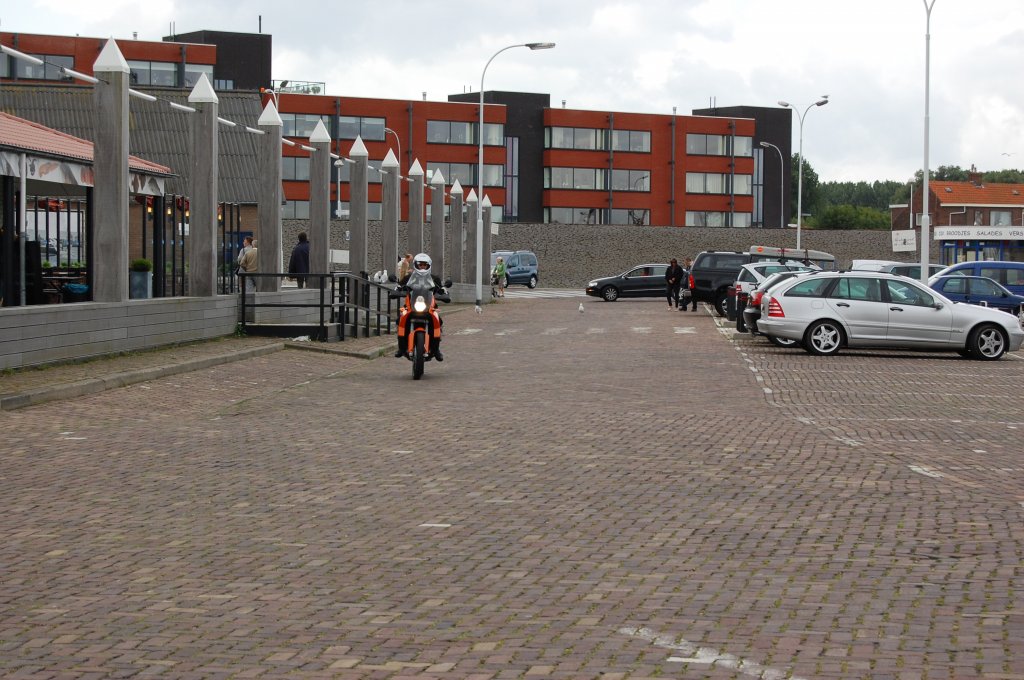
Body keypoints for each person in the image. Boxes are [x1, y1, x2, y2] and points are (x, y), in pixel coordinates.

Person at [394, 253, 447, 361]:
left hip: (429, 306)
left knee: (438, 320)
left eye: (425, 265)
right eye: (420, 265)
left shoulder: (434, 279)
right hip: (411, 305)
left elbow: (442, 289)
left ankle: (436, 349)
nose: (422, 267)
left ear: (428, 266)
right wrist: (396, 291)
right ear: (416, 265)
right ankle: (401, 348)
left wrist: (445, 294)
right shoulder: (409, 278)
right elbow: (399, 286)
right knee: (400, 319)